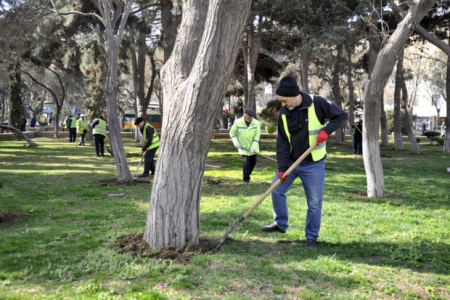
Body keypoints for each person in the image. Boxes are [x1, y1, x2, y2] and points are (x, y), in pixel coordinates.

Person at [261, 75, 348, 249]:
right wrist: (282, 168)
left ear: (294, 95)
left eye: (284, 101)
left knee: (314, 202)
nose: (282, 104)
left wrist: (326, 131)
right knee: (276, 190)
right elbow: (283, 143)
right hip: (292, 163)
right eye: (280, 102)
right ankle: (280, 224)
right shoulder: (283, 113)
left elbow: (342, 116)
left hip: (313, 164)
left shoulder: (318, 103)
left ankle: (311, 237)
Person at [230, 108, 261, 185]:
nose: (250, 118)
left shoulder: (256, 123)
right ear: (245, 115)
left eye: (252, 116)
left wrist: (253, 147)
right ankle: (246, 179)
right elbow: (232, 133)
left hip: (253, 147)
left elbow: (257, 136)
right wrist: (236, 144)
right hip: (243, 147)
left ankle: (247, 173)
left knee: (253, 162)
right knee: (246, 163)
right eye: (249, 116)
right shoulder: (238, 122)